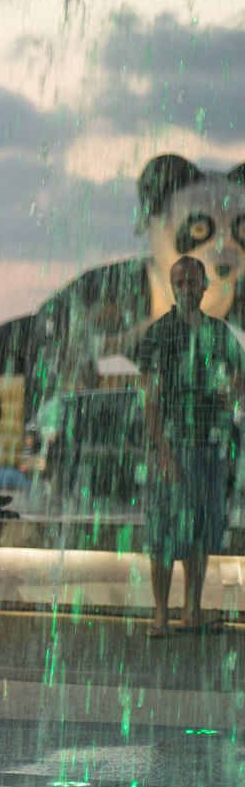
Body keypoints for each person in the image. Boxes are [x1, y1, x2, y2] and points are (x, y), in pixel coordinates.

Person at [134, 255, 245, 638]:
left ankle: (191, 611)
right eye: (180, 281)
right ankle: (161, 613)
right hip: (173, 447)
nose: (187, 288)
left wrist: (228, 395)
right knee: (163, 532)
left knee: (200, 530)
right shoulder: (158, 333)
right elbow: (149, 397)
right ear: (171, 286)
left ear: (204, 286)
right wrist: (163, 452)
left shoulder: (218, 331)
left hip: (208, 449)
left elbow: (240, 374)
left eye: (193, 281)